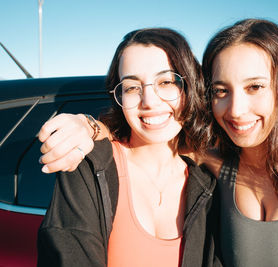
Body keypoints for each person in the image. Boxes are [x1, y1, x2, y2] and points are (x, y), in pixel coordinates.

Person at [38, 19, 278, 266]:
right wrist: (87, 126)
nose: (236, 109)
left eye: (255, 87)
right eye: (221, 91)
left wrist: (88, 125)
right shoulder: (216, 164)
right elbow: (144, 133)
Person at [37, 28, 222, 267]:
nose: (149, 101)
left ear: (190, 87)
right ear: (119, 96)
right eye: (132, 87)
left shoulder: (209, 183)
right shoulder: (89, 167)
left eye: (166, 82)